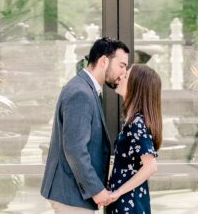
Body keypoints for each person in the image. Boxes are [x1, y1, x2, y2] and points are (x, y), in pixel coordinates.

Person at [41, 37, 130, 212]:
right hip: (70, 195)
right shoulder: (81, 93)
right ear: (104, 61)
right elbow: (75, 148)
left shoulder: (86, 88)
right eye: (122, 65)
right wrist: (96, 190)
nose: (124, 72)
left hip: (73, 196)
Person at [107, 65, 162, 214]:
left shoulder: (137, 123)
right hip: (125, 202)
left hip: (128, 204)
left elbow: (150, 166)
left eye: (126, 76)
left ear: (135, 86)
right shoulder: (133, 121)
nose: (121, 76)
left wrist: (117, 193)